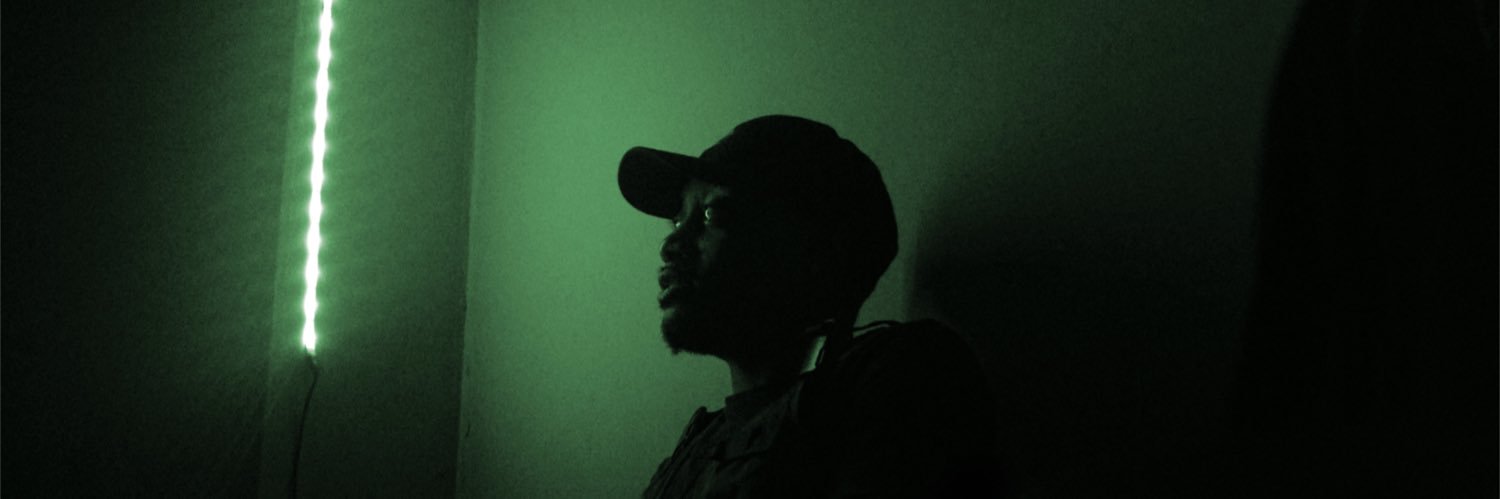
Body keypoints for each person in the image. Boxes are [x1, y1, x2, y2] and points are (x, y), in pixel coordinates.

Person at [618, 115, 1002, 498]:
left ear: (815, 248)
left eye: (712, 214)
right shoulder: (696, 448)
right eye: (677, 220)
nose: (671, 245)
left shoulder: (905, 376)